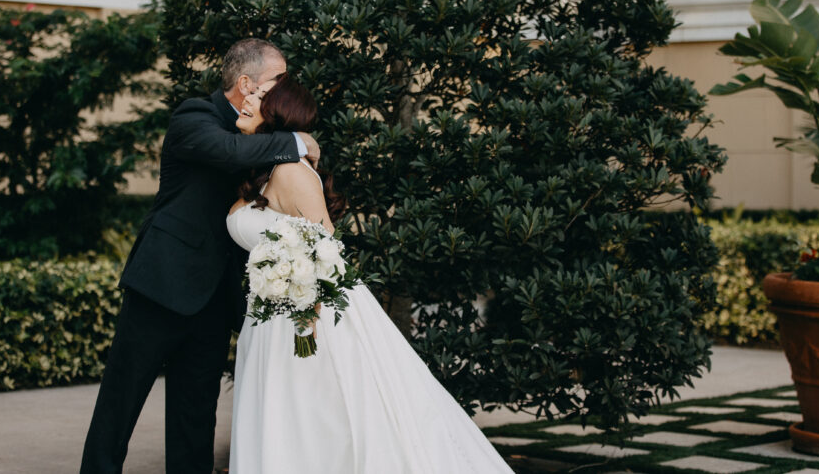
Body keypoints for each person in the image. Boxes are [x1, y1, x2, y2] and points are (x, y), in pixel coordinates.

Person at [225, 74, 513, 473]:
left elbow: (326, 250)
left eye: (257, 96)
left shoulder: (291, 171)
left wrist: (307, 314)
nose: (246, 99)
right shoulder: (264, 170)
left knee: (314, 418)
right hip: (270, 314)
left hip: (304, 315)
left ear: (277, 112)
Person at [80, 39, 319, 474]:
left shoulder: (263, 136)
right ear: (246, 84)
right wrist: (297, 141)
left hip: (215, 297)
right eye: (277, 79)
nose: (284, 87)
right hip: (162, 284)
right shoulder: (195, 116)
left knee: (196, 414)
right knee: (121, 400)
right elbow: (229, 154)